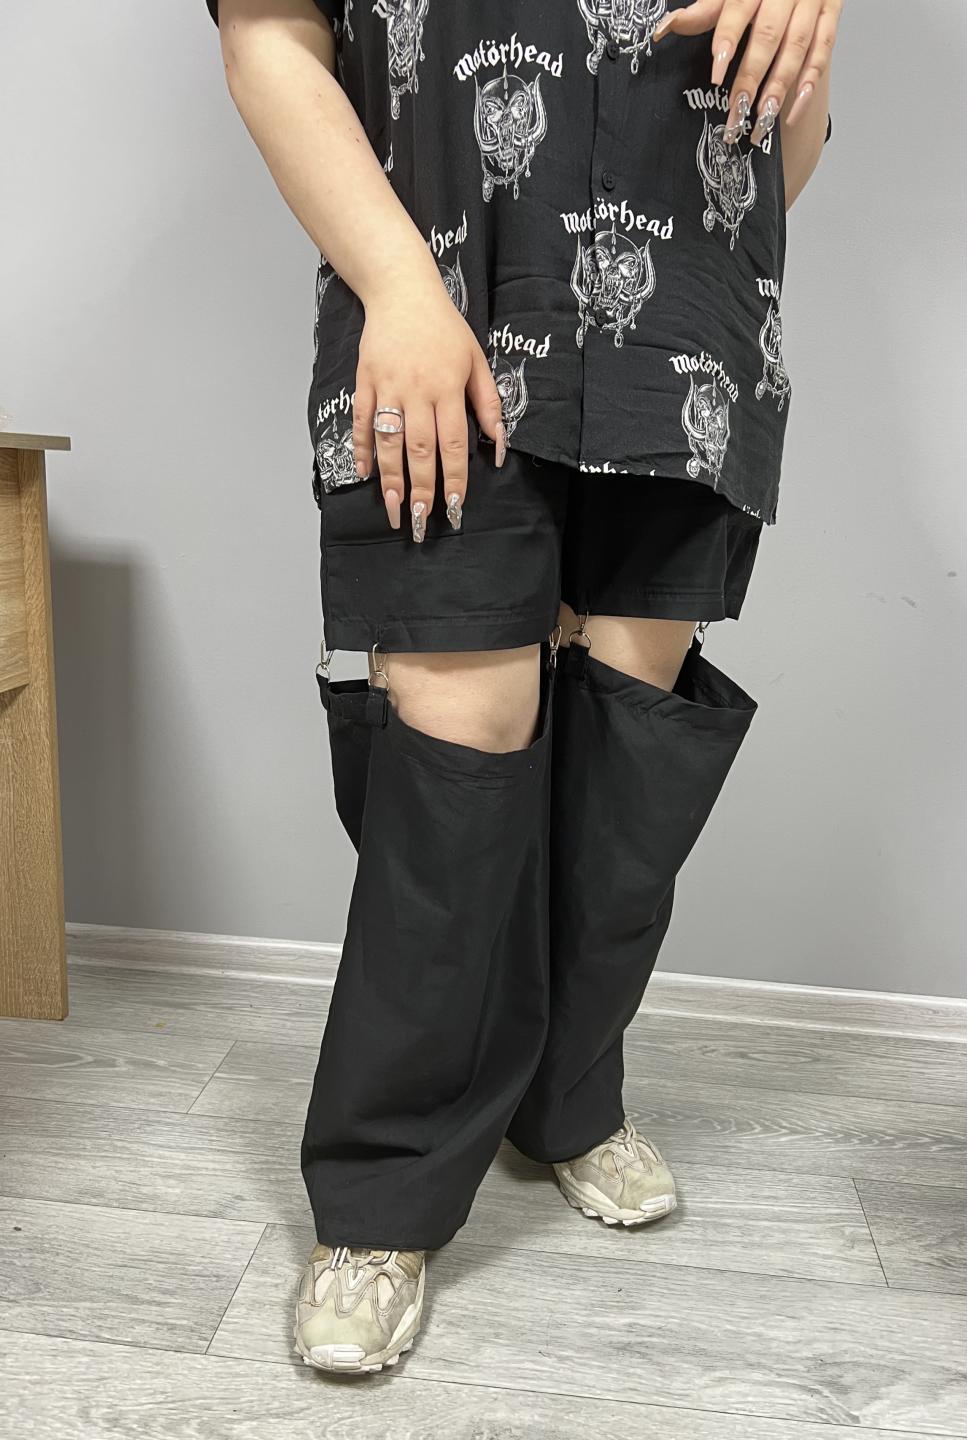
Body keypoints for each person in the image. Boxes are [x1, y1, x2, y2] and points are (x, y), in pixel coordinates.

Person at [206, 0, 839, 1375]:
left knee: (631, 743)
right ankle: (382, 1195)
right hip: (439, 298)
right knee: (460, 735)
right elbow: (266, 34)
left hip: (687, 329)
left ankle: (567, 1096)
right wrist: (397, 289)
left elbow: (788, 132)